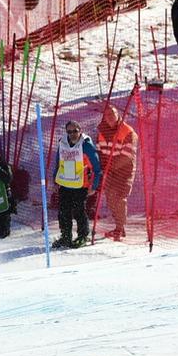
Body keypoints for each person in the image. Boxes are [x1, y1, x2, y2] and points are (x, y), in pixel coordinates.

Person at [53, 120, 102, 249]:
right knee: (63, 212)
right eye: (69, 131)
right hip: (65, 183)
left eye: (75, 131)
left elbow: (97, 168)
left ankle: (83, 236)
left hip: (80, 184)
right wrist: (55, 181)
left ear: (80, 130)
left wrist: (94, 185)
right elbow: (58, 163)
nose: (73, 134)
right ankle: (66, 236)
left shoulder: (85, 145)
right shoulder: (62, 143)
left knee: (78, 211)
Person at [97, 105, 138, 240]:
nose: (110, 117)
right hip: (110, 171)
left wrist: (110, 166)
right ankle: (120, 226)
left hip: (124, 171)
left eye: (112, 113)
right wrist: (102, 168)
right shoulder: (102, 132)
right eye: (107, 114)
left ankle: (119, 228)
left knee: (119, 197)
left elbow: (127, 156)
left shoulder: (127, 132)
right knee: (110, 198)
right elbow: (100, 153)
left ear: (118, 114)